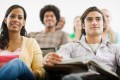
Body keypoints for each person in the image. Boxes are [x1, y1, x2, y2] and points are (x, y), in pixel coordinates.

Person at [43, 6, 120, 80]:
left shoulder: (115, 48)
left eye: (98, 19)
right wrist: (49, 58)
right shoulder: (70, 47)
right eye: (89, 19)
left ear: (103, 24)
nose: (94, 22)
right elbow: (59, 57)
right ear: (83, 25)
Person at [0, 4, 45, 80]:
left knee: (18, 63)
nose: (16, 19)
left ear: (23, 23)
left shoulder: (31, 43)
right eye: (12, 16)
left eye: (20, 17)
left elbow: (40, 70)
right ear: (5, 20)